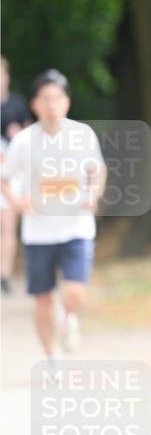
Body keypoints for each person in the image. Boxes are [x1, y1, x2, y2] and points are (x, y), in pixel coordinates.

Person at [0, 69, 107, 360]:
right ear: (34, 105)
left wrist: (93, 194)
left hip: (76, 228)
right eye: (45, 99)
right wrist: (18, 202)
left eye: (57, 98)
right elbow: (5, 178)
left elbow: (97, 171)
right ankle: (51, 356)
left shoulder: (82, 135)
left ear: (67, 102)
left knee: (74, 294)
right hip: (38, 232)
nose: (51, 105)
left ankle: (69, 315)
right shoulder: (23, 141)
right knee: (43, 300)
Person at [1, 56, 31, 294]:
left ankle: (5, 275)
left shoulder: (17, 103)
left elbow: (29, 133)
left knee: (7, 224)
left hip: (10, 173)